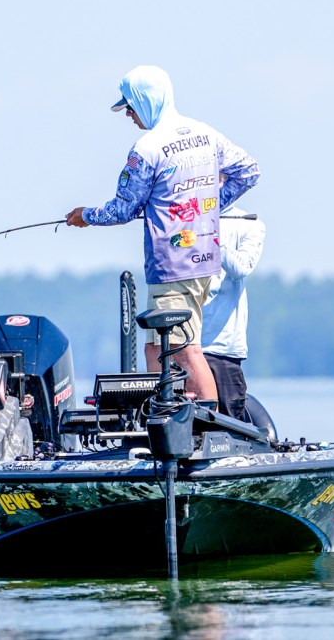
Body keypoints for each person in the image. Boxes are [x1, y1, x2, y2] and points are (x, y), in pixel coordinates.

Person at [66, 66, 260, 401]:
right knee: (155, 350)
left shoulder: (146, 149)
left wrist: (85, 215)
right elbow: (248, 172)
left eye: (130, 106)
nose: (128, 114)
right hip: (204, 259)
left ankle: (210, 421)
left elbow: (122, 210)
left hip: (174, 266)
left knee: (186, 350)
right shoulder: (205, 134)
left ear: (146, 100)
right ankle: (163, 414)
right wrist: (205, 209)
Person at [201, 203, 266, 419]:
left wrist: (210, 234)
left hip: (222, 346)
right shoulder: (183, 216)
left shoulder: (249, 223)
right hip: (184, 344)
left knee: (229, 422)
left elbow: (241, 268)